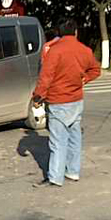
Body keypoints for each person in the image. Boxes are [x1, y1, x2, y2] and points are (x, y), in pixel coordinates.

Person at [32, 18, 101, 187]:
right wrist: (84, 79)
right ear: (75, 32)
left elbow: (46, 77)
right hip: (76, 100)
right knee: (74, 138)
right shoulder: (85, 50)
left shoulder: (55, 51)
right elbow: (95, 69)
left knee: (58, 141)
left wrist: (38, 97)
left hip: (58, 100)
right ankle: (73, 172)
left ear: (59, 33)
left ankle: (55, 177)